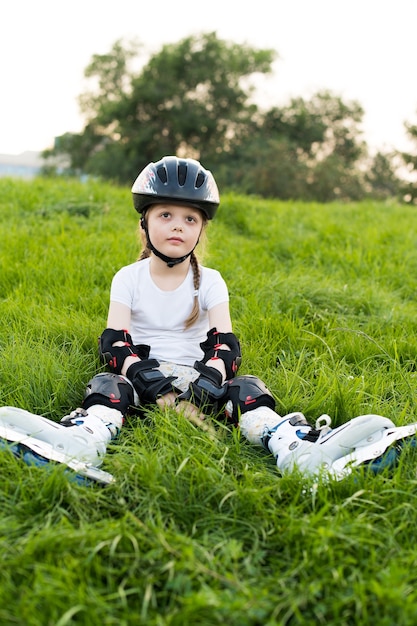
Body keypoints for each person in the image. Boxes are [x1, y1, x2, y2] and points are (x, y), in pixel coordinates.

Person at [0, 156, 416, 484]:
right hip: (142, 378)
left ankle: (297, 450)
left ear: (201, 229)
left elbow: (226, 345)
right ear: (144, 222)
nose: (177, 226)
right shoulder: (128, 277)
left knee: (247, 390)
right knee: (111, 386)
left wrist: (208, 384)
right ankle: (81, 442)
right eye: (165, 215)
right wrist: (156, 388)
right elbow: (114, 343)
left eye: (189, 219)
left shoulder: (211, 281)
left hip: (200, 380)